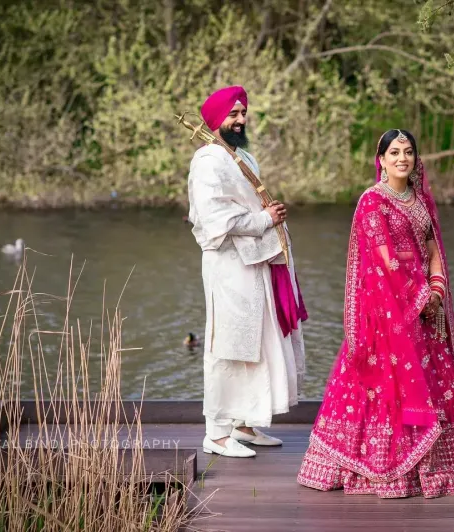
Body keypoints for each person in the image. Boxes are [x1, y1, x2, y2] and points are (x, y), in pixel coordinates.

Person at [297, 129, 454, 497]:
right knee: (382, 382)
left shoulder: (420, 201)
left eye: (409, 152)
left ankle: (437, 467)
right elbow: (385, 260)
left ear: (416, 159)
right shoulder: (373, 202)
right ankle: (382, 469)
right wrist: (420, 296)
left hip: (424, 307)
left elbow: (432, 248)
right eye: (395, 152)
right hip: (387, 313)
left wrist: (435, 288)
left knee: (436, 380)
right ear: (381, 160)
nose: (403, 158)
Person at [187, 85, 307, 458]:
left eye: (243, 113)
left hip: (255, 264)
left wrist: (270, 219)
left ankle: (243, 424)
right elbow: (212, 219)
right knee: (228, 344)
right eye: (233, 114)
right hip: (228, 267)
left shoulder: (244, 158)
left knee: (254, 341)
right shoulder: (208, 159)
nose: (240, 120)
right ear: (216, 120)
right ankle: (216, 432)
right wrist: (264, 219)